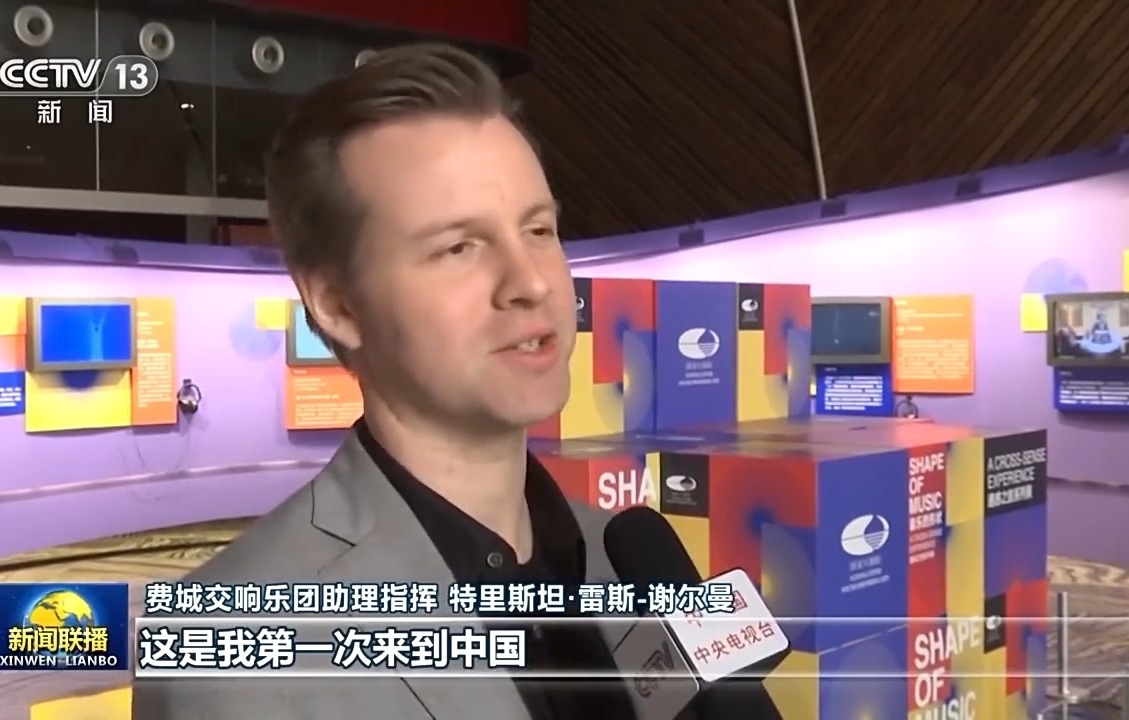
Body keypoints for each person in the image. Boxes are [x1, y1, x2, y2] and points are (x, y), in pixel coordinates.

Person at [132, 42, 783, 719]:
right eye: (459, 247)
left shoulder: (633, 560)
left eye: (539, 230)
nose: (531, 282)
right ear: (338, 305)